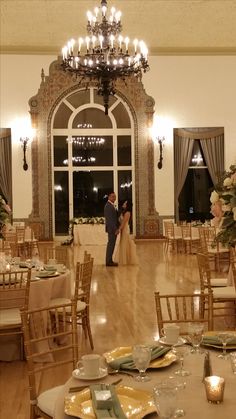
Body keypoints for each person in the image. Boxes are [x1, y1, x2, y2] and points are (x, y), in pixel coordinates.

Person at [115, 200, 138, 265]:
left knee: (125, 243)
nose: (124, 204)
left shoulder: (127, 213)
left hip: (125, 230)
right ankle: (125, 259)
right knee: (124, 243)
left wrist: (119, 229)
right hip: (123, 230)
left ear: (127, 205)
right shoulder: (123, 212)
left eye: (125, 203)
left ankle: (126, 260)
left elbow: (123, 223)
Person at [104, 192, 120, 267]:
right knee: (111, 244)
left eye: (115, 197)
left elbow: (116, 216)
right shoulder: (108, 206)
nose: (114, 198)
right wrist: (115, 229)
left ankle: (110, 260)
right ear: (109, 197)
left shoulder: (111, 205)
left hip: (112, 228)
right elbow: (110, 220)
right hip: (112, 229)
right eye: (113, 197)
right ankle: (108, 261)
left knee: (112, 244)